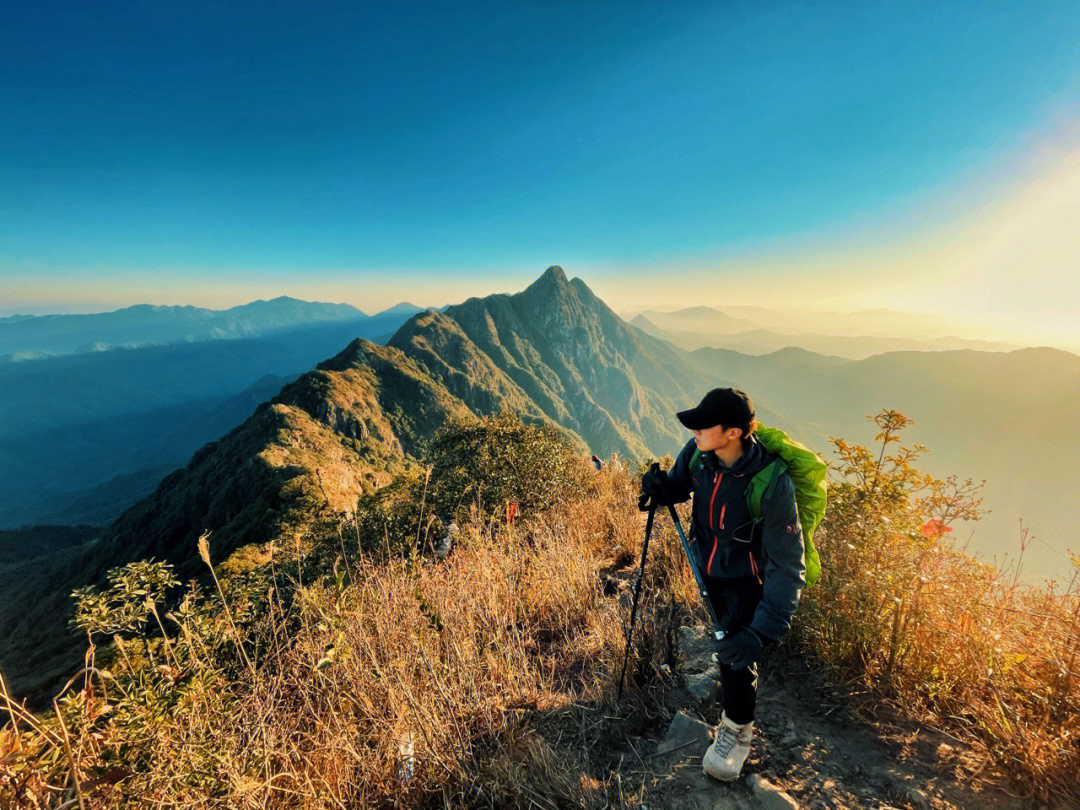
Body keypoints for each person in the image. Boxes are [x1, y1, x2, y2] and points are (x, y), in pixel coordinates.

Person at [640, 387, 805, 782]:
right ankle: (732, 692)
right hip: (709, 568)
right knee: (725, 640)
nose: (693, 428)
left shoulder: (772, 483)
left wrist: (762, 631)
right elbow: (681, 484)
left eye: (703, 423)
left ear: (733, 432)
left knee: (736, 651)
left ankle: (737, 730)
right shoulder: (700, 454)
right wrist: (660, 488)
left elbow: (787, 564)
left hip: (747, 579)